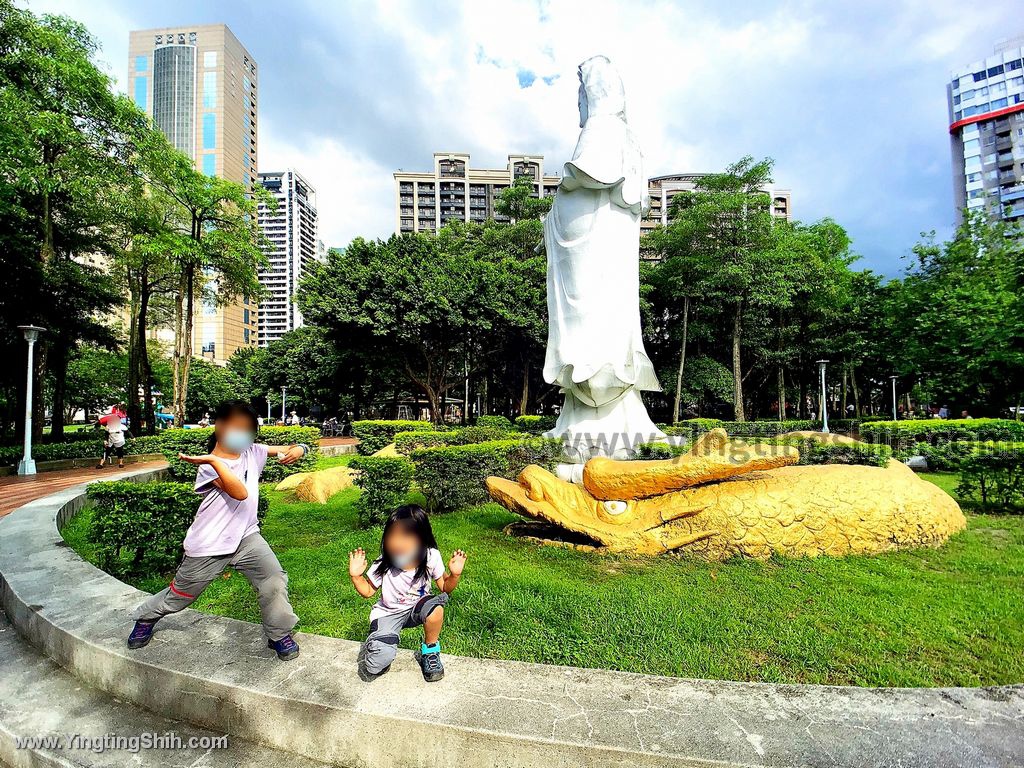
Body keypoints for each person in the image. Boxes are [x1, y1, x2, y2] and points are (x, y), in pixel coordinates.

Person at [126, 400, 310, 661]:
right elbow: (239, 492)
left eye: (248, 429)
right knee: (179, 598)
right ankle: (145, 617)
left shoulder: (252, 451)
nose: (243, 435)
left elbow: (291, 447)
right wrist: (214, 458)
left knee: (273, 581)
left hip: (247, 537)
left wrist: (299, 449)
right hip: (210, 544)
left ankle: (278, 634)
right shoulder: (207, 466)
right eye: (237, 427)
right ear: (219, 425)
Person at [348, 506, 467, 682]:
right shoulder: (384, 562)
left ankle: (430, 651)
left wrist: (455, 575)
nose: (396, 543)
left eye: (405, 536)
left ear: (422, 538)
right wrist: (356, 576)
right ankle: (381, 644)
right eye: (392, 535)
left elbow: (444, 588)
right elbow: (367, 592)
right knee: (374, 666)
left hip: (417, 609)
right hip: (388, 613)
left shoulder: (431, 556)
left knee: (435, 607)